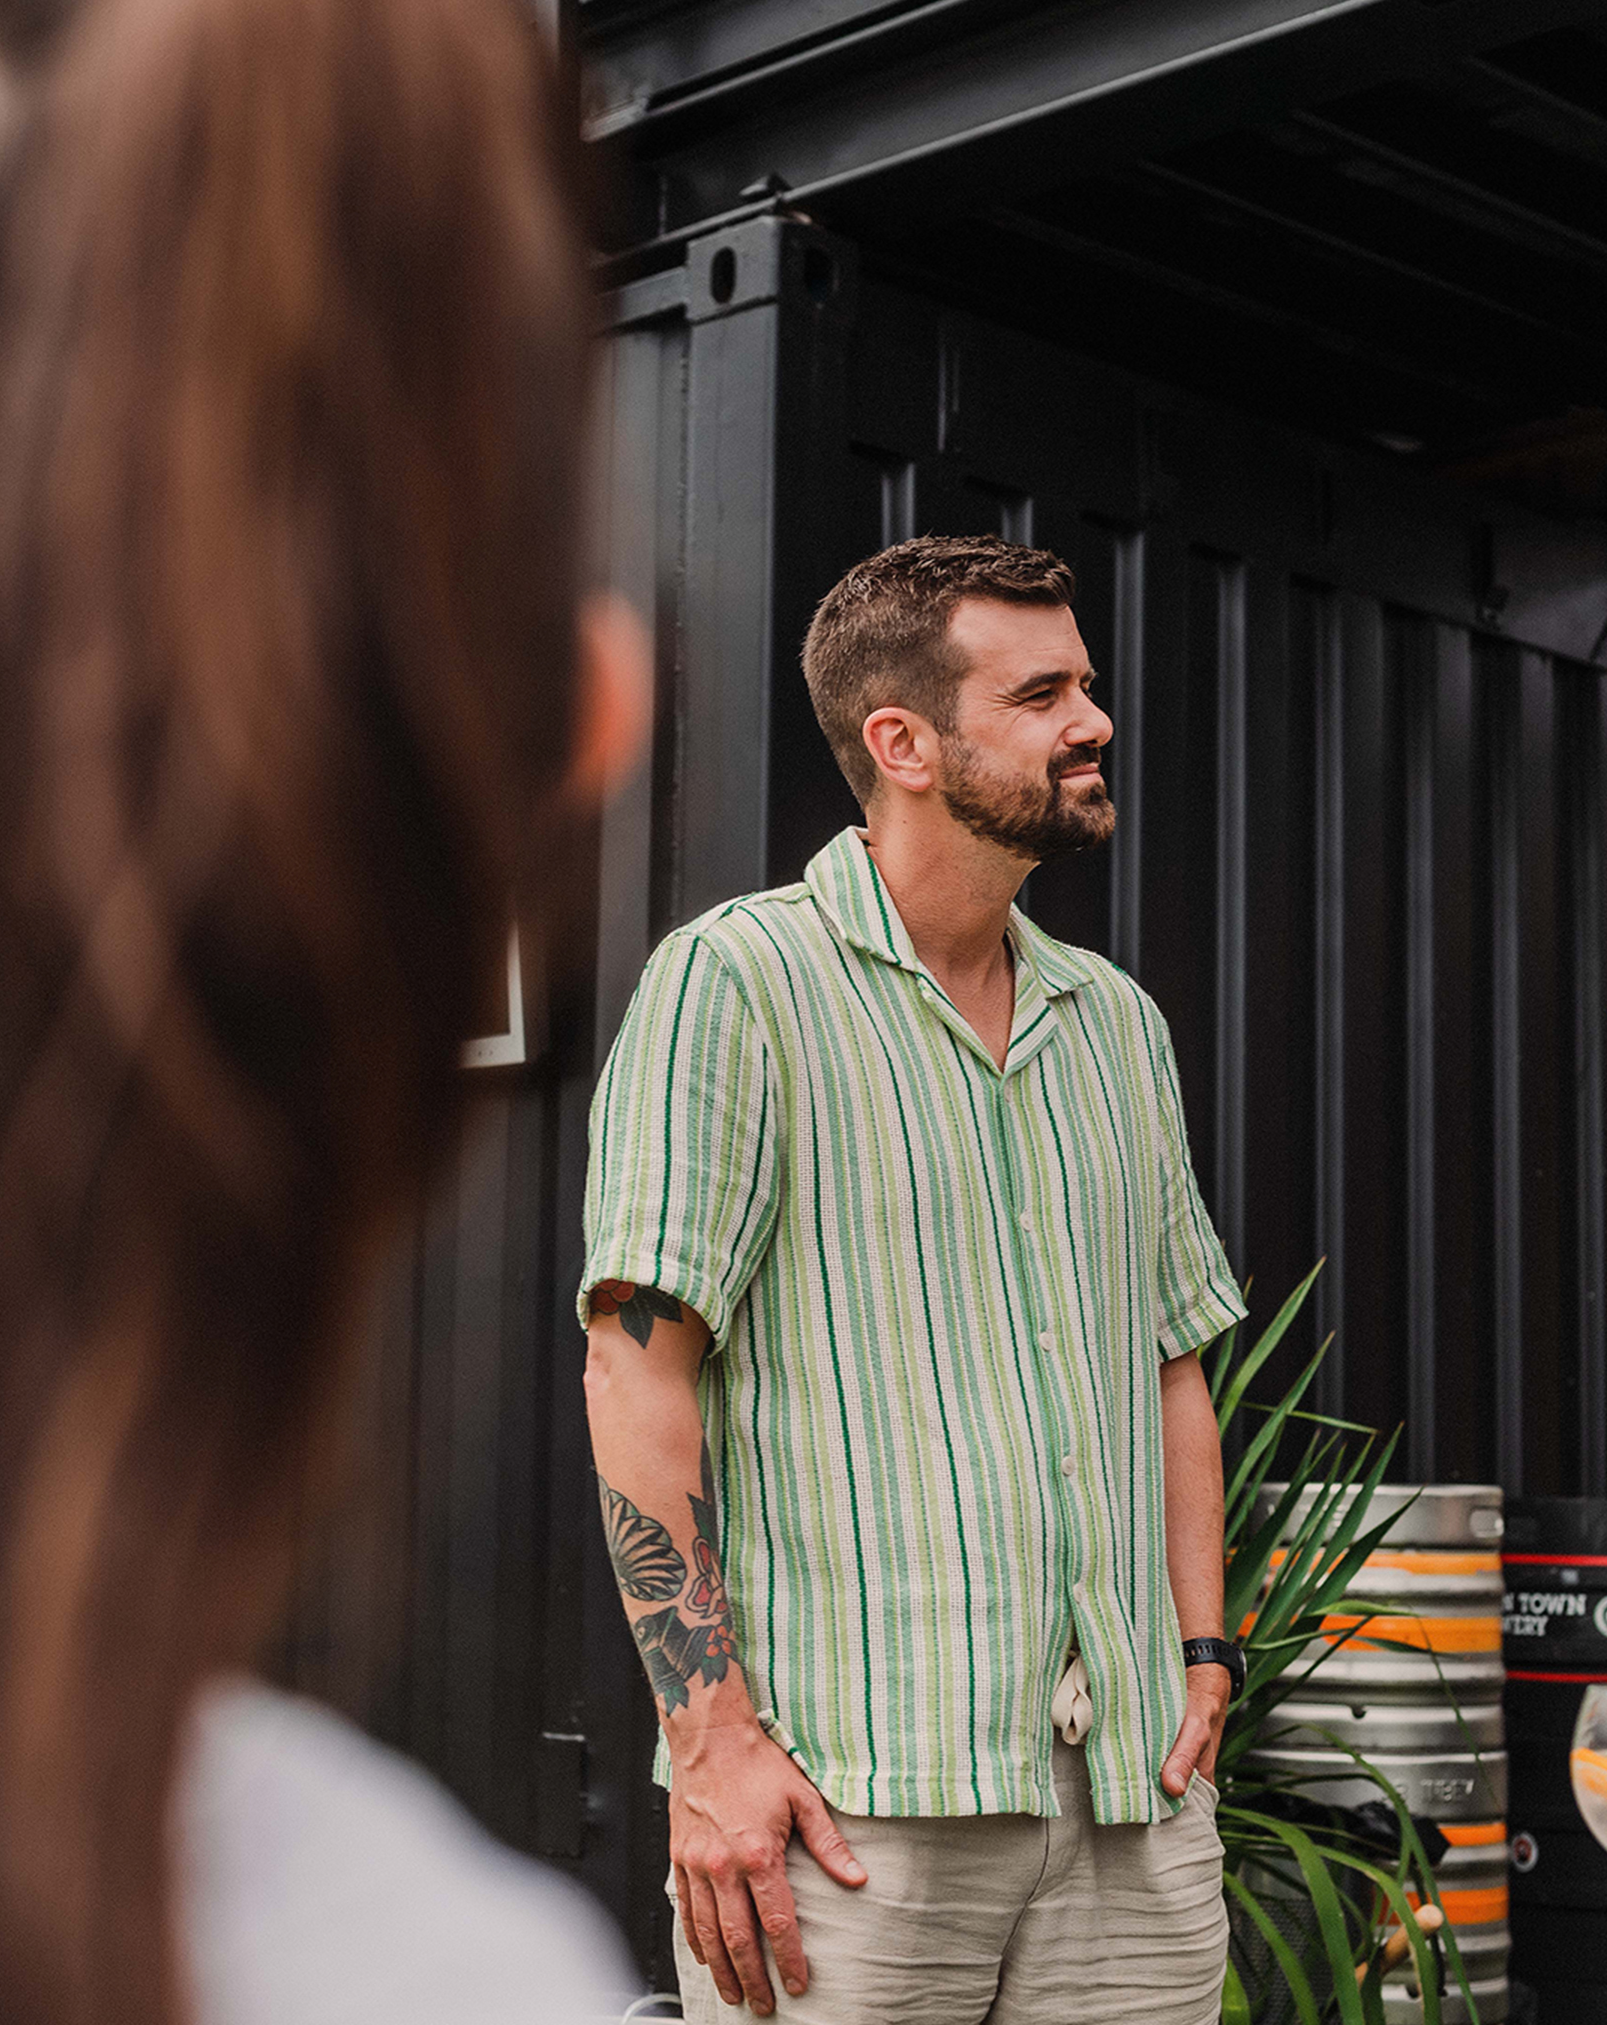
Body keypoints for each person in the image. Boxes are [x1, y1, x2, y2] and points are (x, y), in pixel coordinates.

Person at [0, 0, 644, 2020]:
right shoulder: (422, 1974)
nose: (1094, 716)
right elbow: (651, 1341)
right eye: (1049, 685)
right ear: (579, 740)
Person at [582, 534, 1249, 2024]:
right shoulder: (735, 983)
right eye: (1041, 695)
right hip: (849, 1817)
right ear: (904, 744)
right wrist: (710, 1745)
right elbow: (633, 1370)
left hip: (1134, 1807)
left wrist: (1204, 1651)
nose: (1094, 720)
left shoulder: (1117, 1024)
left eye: (1086, 684)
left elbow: (1171, 1361)